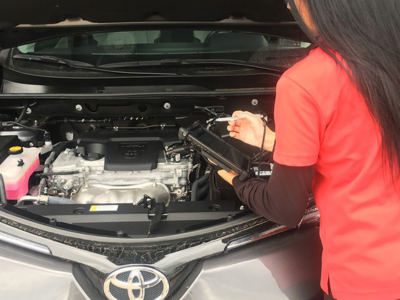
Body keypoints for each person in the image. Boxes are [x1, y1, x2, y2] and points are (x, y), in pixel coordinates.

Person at [217, 0, 400, 299]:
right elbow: (361, 149)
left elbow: (285, 209)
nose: (289, 7)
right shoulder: (389, 64)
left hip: (365, 281)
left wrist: (237, 180)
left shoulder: (304, 81)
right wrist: (272, 141)